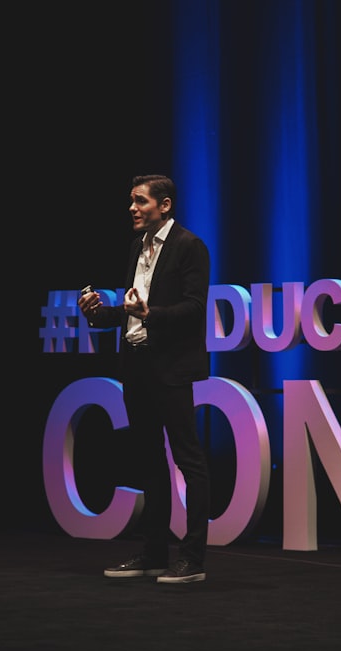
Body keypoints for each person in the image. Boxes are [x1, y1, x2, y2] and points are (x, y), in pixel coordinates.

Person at [78, 174, 211, 584]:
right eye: (131, 202)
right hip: (137, 366)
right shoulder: (138, 245)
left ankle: (192, 558)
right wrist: (102, 314)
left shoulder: (190, 246)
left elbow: (193, 308)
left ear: (164, 205)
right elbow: (135, 309)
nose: (132, 209)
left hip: (171, 368)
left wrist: (151, 313)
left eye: (140, 201)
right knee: (149, 460)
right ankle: (154, 553)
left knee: (189, 461)